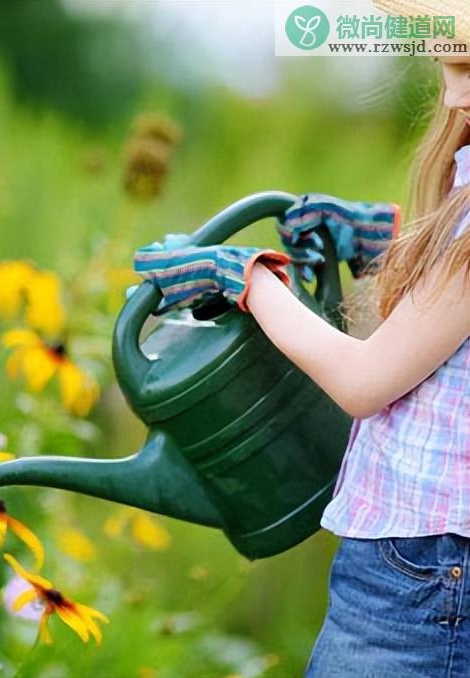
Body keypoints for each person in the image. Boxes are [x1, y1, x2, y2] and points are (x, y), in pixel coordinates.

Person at [133, 21, 470, 678]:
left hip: (428, 575)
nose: (456, 98)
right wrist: (387, 239)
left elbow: (365, 380)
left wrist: (246, 279)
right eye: (450, 69)